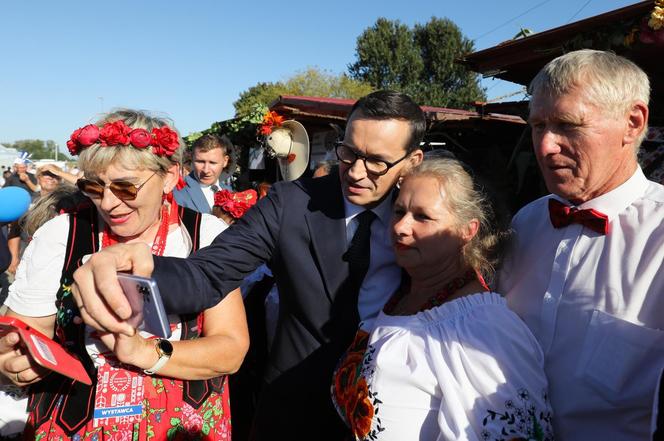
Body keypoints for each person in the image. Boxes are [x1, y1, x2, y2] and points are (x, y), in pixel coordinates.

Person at [68, 90, 426, 440]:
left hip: (398, 412)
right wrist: (144, 266)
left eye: (377, 161)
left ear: (413, 161)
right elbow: (210, 273)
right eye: (348, 153)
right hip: (296, 408)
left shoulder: (432, 221)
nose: (357, 172)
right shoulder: (291, 204)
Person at [0, 109, 248, 440]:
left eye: (126, 187)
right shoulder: (62, 233)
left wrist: (146, 353)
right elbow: (23, 332)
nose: (110, 204)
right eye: (94, 187)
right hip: (76, 424)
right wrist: (14, 361)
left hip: (181, 426)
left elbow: (230, 350)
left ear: (170, 176)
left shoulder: (205, 234)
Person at [498, 49, 664, 440]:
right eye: (538, 126)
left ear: (633, 122)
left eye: (568, 125)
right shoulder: (526, 223)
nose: (544, 147)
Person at [331, 158, 553, 440]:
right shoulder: (401, 295)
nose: (400, 227)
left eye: (422, 217)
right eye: (399, 211)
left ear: (467, 230)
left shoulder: (483, 329)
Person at [174, 133, 234, 213]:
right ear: (192, 158)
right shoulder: (177, 193)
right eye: (200, 162)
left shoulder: (230, 192)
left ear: (225, 161)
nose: (206, 170)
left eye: (213, 163)